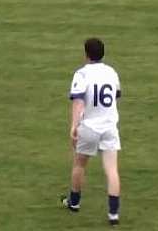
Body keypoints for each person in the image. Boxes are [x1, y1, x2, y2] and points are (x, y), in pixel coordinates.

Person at [61, 38, 122, 227]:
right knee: (112, 170)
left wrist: (73, 126)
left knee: (79, 165)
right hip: (110, 126)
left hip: (89, 126)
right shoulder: (112, 72)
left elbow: (78, 102)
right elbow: (116, 96)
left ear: (86, 54)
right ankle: (113, 214)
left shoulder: (82, 74)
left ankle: (74, 202)